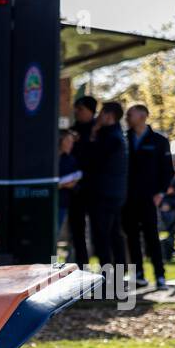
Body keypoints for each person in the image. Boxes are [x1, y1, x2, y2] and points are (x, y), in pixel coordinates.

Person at [123, 104, 173, 288]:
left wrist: (161, 192)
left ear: (143, 116)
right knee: (132, 237)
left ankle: (160, 276)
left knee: (152, 237)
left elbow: (168, 170)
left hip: (149, 198)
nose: (128, 117)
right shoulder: (124, 139)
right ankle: (139, 274)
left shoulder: (159, 140)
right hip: (128, 199)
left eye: (131, 114)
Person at [85, 101, 128, 269]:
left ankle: (109, 281)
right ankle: (119, 277)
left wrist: (93, 136)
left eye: (101, 113)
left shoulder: (111, 138)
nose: (98, 116)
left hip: (104, 195)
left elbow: (94, 161)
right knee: (114, 235)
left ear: (109, 116)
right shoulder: (117, 135)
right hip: (113, 194)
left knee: (103, 237)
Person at [68, 96, 97, 265]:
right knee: (77, 232)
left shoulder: (99, 131)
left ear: (91, 111)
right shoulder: (72, 131)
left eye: (81, 109)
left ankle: (109, 275)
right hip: (75, 189)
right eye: (76, 109)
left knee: (101, 232)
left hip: (94, 189)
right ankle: (81, 266)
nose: (77, 112)